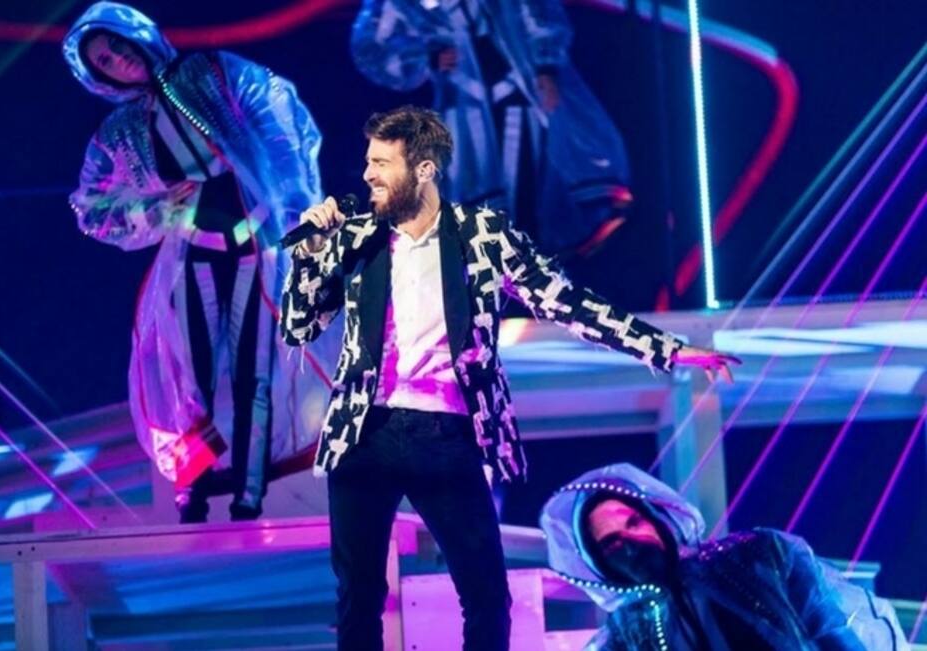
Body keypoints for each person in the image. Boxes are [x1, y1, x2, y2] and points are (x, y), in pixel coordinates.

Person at [279, 106, 737, 650]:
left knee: (486, 595)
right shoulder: (356, 237)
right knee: (359, 596)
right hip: (364, 431)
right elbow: (298, 327)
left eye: (381, 163)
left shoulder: (482, 234)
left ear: (423, 169)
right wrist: (309, 256)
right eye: (367, 162)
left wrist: (665, 349)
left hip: (446, 433)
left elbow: (567, 303)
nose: (367, 175)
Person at [63, 2, 322, 522]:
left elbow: (279, 120)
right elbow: (92, 209)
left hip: (256, 246)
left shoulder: (212, 72)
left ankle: (249, 491)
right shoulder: (119, 131)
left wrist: (295, 208)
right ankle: (193, 487)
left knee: (255, 373)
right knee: (189, 381)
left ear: (136, 35)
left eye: (116, 45)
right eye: (104, 60)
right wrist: (156, 208)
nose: (118, 59)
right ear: (99, 77)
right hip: (192, 256)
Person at [351, 0, 633, 255]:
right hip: (463, 103)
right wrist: (426, 57)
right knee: (473, 195)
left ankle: (528, 273)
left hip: (517, 94)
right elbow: (372, 45)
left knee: (525, 194)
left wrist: (545, 67)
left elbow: (537, 13)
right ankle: (487, 274)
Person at [541, 463, 910, 650]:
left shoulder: (760, 554)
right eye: (611, 544)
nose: (632, 543)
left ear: (658, 517)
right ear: (598, 565)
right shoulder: (623, 639)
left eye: (634, 522)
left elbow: (833, 630)